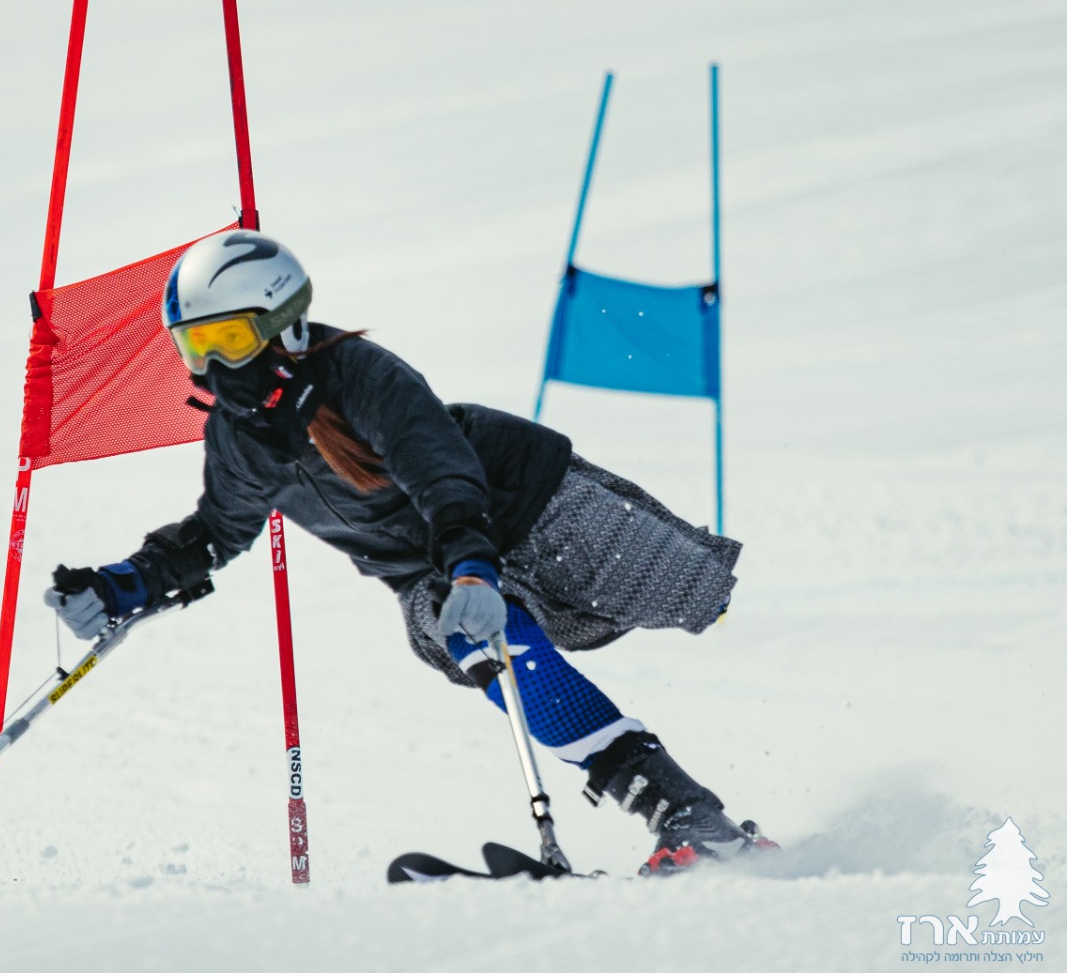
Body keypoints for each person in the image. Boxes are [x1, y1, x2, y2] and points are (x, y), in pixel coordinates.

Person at [45, 230, 771, 875]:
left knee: (697, 594)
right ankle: (688, 818)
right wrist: (123, 586)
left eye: (229, 341)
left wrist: (474, 565)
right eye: (192, 347)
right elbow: (215, 529)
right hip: (429, 574)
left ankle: (701, 825)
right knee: (484, 645)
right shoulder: (238, 436)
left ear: (283, 325)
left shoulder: (359, 375)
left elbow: (441, 474)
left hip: (528, 510)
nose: (211, 366)